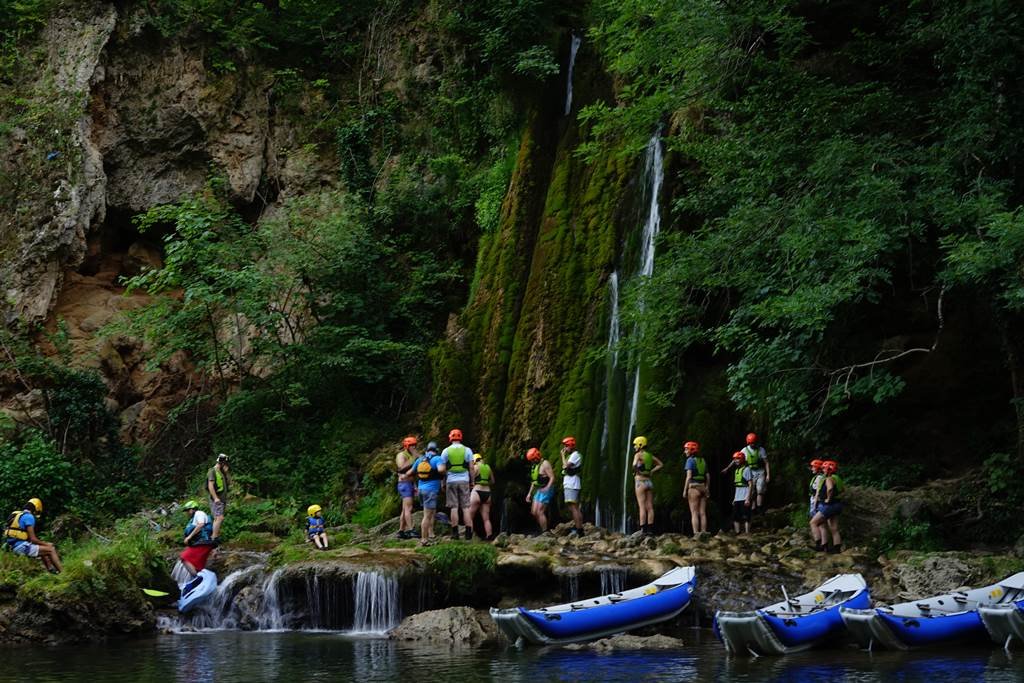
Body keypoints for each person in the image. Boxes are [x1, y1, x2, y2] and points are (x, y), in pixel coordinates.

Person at [3, 498, 62, 574]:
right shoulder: (29, 517)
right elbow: (33, 539)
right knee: (51, 549)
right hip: (21, 547)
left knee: (42, 549)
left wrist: (43, 544)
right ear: (35, 509)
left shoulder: (17, 514)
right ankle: (63, 573)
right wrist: (47, 544)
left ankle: (51, 570)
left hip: (12, 547)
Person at [442, 429, 475, 540]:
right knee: (466, 507)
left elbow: (442, 469)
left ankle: (455, 533)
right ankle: (468, 533)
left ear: (450, 438)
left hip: (450, 481)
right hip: (464, 480)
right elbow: (471, 467)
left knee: (454, 507)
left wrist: (443, 482)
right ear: (460, 437)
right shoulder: (468, 450)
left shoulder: (446, 451)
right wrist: (472, 481)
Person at [412, 442, 446, 545]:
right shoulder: (437, 459)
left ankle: (431, 534)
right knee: (427, 515)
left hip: (421, 490)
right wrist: (444, 472)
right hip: (431, 491)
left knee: (431, 512)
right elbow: (441, 469)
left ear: (427, 450)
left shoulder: (420, 460)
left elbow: (411, 472)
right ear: (436, 450)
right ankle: (424, 539)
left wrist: (415, 486)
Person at [811, 460, 844, 553]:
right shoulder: (837, 478)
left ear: (829, 469)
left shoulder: (829, 479)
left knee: (813, 523)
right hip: (837, 505)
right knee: (834, 528)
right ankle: (837, 549)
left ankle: (820, 545)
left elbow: (830, 488)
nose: (823, 470)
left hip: (829, 505)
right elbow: (843, 490)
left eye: (824, 469)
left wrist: (828, 499)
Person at [632, 436, 662, 535]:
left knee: (642, 506)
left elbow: (634, 465)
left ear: (640, 445)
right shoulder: (649, 455)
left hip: (640, 482)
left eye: (635, 445)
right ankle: (650, 529)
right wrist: (651, 471)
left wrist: (638, 472)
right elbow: (660, 464)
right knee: (650, 506)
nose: (635, 447)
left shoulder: (638, 455)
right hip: (649, 482)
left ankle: (643, 529)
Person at [525, 447, 555, 534]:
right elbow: (534, 481)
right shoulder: (535, 466)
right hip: (539, 489)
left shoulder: (545, 464)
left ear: (536, 457)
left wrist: (547, 488)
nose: (532, 461)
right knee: (534, 512)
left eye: (533, 459)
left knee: (540, 511)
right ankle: (542, 528)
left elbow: (552, 477)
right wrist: (529, 493)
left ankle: (545, 532)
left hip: (546, 489)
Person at [682, 441, 709, 537]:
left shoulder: (690, 460)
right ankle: (704, 532)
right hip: (703, 487)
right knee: (702, 512)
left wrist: (685, 490)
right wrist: (707, 488)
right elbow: (707, 476)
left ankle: (696, 533)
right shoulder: (702, 460)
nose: (685, 451)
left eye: (686, 449)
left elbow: (689, 477)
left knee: (694, 513)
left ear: (691, 450)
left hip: (693, 487)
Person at [560, 436, 584, 537]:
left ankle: (580, 530)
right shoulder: (572, 455)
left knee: (574, 507)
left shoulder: (575, 455)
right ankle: (579, 527)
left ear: (570, 446)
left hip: (572, 484)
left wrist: (562, 455)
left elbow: (565, 466)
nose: (565, 449)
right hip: (570, 483)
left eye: (566, 446)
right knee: (573, 507)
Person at [396, 436, 418, 540]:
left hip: (410, 484)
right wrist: (414, 458)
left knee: (405, 509)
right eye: (412, 445)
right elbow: (401, 468)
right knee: (409, 508)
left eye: (415, 445)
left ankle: (401, 531)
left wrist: (415, 486)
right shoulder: (401, 455)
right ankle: (411, 529)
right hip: (404, 484)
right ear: (407, 446)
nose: (414, 447)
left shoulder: (411, 455)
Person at [469, 453, 495, 540]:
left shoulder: (475, 467)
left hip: (477, 492)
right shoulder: (488, 467)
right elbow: (493, 481)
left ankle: (469, 536)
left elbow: (470, 481)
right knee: (486, 519)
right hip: (487, 493)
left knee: (469, 516)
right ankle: (489, 535)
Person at [726, 451, 753, 534]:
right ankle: (738, 533)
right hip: (738, 497)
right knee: (735, 517)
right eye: (735, 459)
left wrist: (748, 498)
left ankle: (747, 533)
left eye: (738, 459)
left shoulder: (747, 469)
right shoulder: (736, 470)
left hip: (745, 497)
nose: (736, 461)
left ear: (742, 459)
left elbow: (751, 484)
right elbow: (737, 486)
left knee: (746, 516)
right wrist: (734, 498)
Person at [742, 433, 770, 512]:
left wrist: (768, 475)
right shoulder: (744, 450)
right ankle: (753, 509)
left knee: (760, 490)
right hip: (750, 472)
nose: (752, 444)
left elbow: (766, 462)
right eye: (751, 443)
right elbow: (737, 459)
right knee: (752, 491)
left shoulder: (761, 450)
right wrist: (727, 468)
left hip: (760, 471)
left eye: (753, 442)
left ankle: (759, 507)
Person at [207, 453, 231, 540]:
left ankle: (214, 536)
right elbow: (210, 485)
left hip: (222, 499)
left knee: (217, 519)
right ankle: (213, 538)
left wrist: (227, 472)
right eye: (225, 463)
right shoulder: (212, 471)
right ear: (222, 463)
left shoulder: (222, 472)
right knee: (219, 518)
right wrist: (216, 498)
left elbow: (229, 482)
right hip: (216, 499)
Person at [807, 459, 825, 547]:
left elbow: (818, 491)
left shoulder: (819, 478)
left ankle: (819, 544)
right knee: (820, 524)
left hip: (816, 502)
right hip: (815, 501)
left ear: (818, 468)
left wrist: (815, 505)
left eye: (813, 467)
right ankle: (823, 544)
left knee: (815, 523)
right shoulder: (818, 477)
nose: (812, 469)